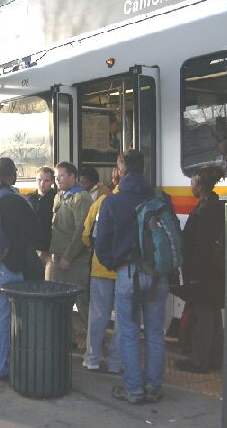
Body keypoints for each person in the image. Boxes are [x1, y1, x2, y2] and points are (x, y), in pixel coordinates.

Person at [95, 150, 170, 404]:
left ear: (120, 171)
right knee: (155, 332)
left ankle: (134, 390)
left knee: (128, 331)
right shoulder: (161, 198)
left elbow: (101, 243)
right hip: (158, 274)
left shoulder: (112, 202)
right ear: (143, 169)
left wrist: (114, 264)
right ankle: (152, 386)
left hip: (127, 273)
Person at [0, 157, 38, 380]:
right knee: (2, 315)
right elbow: (34, 231)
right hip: (6, 265)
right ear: (13, 175)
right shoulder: (15, 200)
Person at [175, 165, 225, 374]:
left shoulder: (205, 209)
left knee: (203, 315)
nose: (190, 186)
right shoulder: (214, 205)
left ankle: (199, 360)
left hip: (204, 273)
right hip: (213, 272)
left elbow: (200, 246)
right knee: (212, 315)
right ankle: (214, 358)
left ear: (200, 185)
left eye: (192, 182)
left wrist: (194, 274)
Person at [81, 169, 121, 373]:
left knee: (98, 316)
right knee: (123, 319)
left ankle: (92, 358)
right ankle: (116, 362)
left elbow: (86, 236)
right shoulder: (138, 202)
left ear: (113, 181)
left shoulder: (100, 203)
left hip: (100, 268)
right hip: (125, 269)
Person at [49, 162, 93, 332]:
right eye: (55, 176)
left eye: (61, 175)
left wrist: (68, 256)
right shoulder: (59, 196)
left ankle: (93, 338)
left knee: (82, 300)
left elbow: (81, 231)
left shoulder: (81, 198)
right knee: (59, 299)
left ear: (72, 176)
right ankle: (66, 336)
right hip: (58, 256)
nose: (57, 179)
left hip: (76, 259)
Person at [28, 166, 57, 280]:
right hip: (34, 247)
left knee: (49, 281)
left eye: (46, 180)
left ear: (52, 181)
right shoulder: (30, 198)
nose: (42, 183)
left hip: (50, 247)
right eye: (39, 180)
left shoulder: (56, 197)